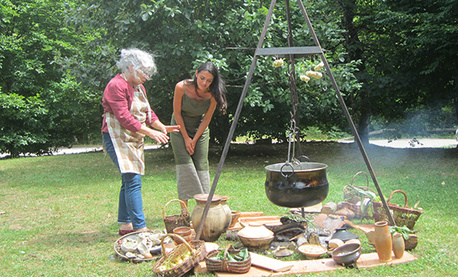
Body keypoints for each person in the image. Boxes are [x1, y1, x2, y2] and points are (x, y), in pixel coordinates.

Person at [101, 48, 180, 235]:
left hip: (133, 136)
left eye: (148, 72)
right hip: (116, 137)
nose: (146, 76)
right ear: (131, 68)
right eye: (144, 72)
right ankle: (140, 227)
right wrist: (150, 133)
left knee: (128, 179)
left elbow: (148, 113)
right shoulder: (116, 86)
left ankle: (125, 225)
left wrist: (160, 126)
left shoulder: (139, 87)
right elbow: (124, 118)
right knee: (132, 179)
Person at [170, 61, 227, 205]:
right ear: (196, 74)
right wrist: (186, 138)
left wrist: (194, 140)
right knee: (185, 165)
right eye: (202, 78)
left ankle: (204, 207)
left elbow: (206, 118)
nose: (204, 83)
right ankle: (184, 210)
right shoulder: (180, 87)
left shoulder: (213, 94)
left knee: (201, 165)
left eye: (209, 80)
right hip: (178, 128)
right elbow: (177, 114)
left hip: (199, 130)